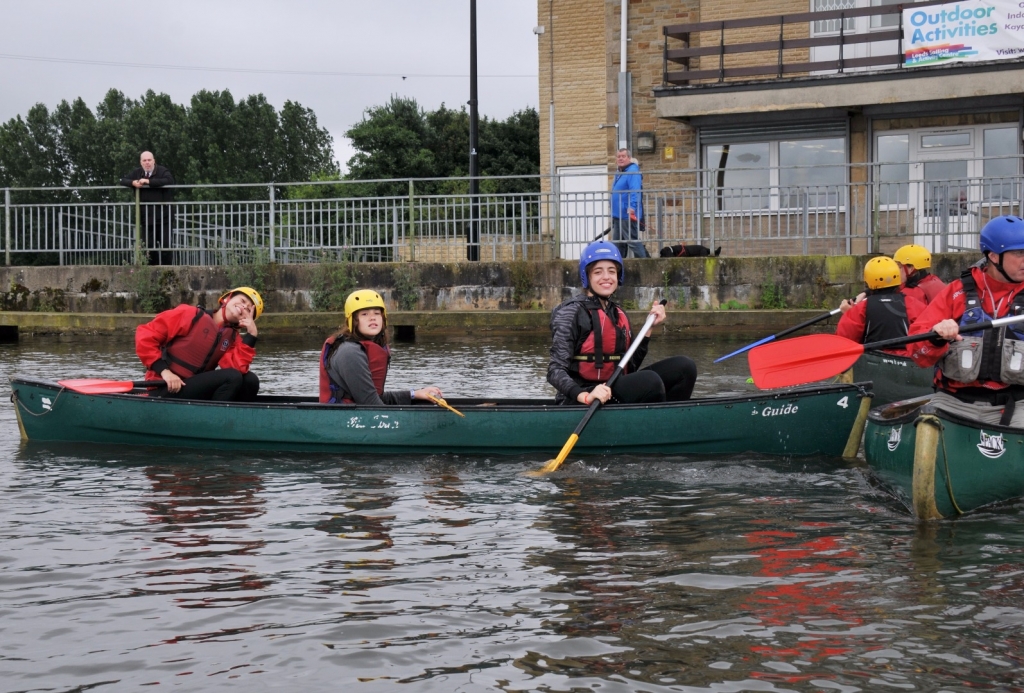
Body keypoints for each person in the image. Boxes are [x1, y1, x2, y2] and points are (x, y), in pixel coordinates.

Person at [908, 215, 1024, 427]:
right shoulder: (956, 292)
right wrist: (936, 338)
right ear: (993, 256)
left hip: (1017, 404)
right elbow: (917, 354)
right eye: (1019, 253)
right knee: (926, 428)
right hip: (955, 401)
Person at [548, 240, 697, 405]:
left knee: (685, 367)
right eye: (598, 272)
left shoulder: (617, 313)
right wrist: (584, 395)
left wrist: (648, 329)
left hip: (611, 390)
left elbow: (630, 367)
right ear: (587, 276)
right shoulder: (571, 312)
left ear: (618, 275)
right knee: (650, 381)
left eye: (611, 271)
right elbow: (555, 371)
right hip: (581, 398)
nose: (606, 277)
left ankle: (674, 416)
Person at [135, 287, 263, 401]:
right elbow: (145, 337)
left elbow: (236, 369)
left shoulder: (233, 339)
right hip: (165, 386)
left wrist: (251, 335)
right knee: (232, 377)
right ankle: (214, 417)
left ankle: (231, 418)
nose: (244, 307)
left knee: (250, 380)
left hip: (193, 389)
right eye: (242, 300)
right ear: (227, 299)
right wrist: (165, 372)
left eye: (249, 309)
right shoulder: (190, 314)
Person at [320, 289, 442, 405]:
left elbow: (376, 398)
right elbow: (371, 405)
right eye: (364, 314)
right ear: (353, 321)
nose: (372, 317)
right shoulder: (349, 352)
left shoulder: (360, 347)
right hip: (346, 416)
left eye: (377, 313)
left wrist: (415, 394)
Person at [836, 256, 927, 355]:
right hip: (906, 359)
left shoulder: (860, 308)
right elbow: (926, 334)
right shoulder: (913, 304)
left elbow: (844, 343)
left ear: (868, 281)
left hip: (873, 359)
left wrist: (848, 313)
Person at [119, 151, 175, 266]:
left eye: (149, 160)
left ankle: (168, 271)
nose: (147, 163)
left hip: (164, 218)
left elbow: (169, 180)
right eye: (144, 160)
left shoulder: (162, 171)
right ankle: (152, 272)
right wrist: (133, 183)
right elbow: (122, 180)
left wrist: (148, 182)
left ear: (154, 161)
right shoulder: (137, 172)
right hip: (146, 219)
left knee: (166, 246)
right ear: (141, 162)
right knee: (149, 248)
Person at [610, 148, 650, 259]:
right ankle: (618, 264)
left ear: (629, 158)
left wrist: (632, 207)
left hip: (626, 214)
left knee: (632, 241)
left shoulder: (632, 171)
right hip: (618, 214)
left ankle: (645, 263)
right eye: (618, 156)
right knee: (618, 244)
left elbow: (635, 190)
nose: (620, 159)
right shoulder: (620, 172)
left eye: (623, 156)